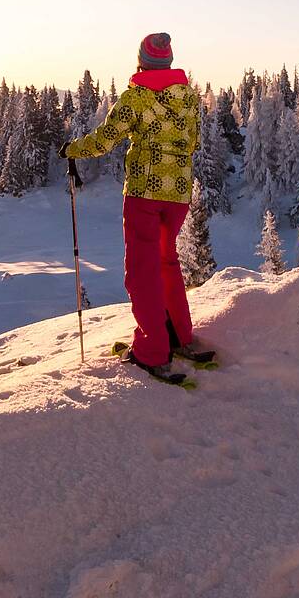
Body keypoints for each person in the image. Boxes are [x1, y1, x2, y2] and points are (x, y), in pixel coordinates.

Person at [63, 32, 211, 384]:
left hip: (144, 194)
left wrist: (72, 150)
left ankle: (151, 351)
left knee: (142, 271)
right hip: (177, 194)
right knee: (166, 261)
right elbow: (194, 142)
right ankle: (180, 336)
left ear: (142, 60)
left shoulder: (136, 97)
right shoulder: (188, 97)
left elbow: (104, 140)